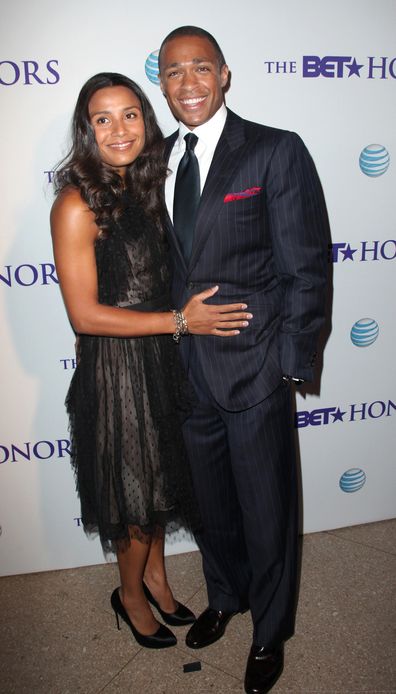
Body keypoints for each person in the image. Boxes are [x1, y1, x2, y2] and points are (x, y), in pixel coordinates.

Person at [50, 72, 251, 650]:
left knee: (160, 486)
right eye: (103, 119)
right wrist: (181, 322)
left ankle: (157, 577)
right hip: (118, 369)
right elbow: (84, 316)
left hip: (162, 360)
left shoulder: (149, 185)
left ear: (147, 119)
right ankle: (130, 595)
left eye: (130, 114)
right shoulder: (75, 204)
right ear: (87, 131)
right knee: (136, 500)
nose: (119, 129)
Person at [158, 27, 329, 691]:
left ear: (224, 75)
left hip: (254, 368)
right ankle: (226, 596)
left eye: (201, 68)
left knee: (267, 509)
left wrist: (289, 363)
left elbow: (306, 265)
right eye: (174, 72)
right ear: (163, 83)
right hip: (184, 373)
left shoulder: (274, 151)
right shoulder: (157, 159)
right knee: (211, 507)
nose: (189, 82)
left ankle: (270, 629)